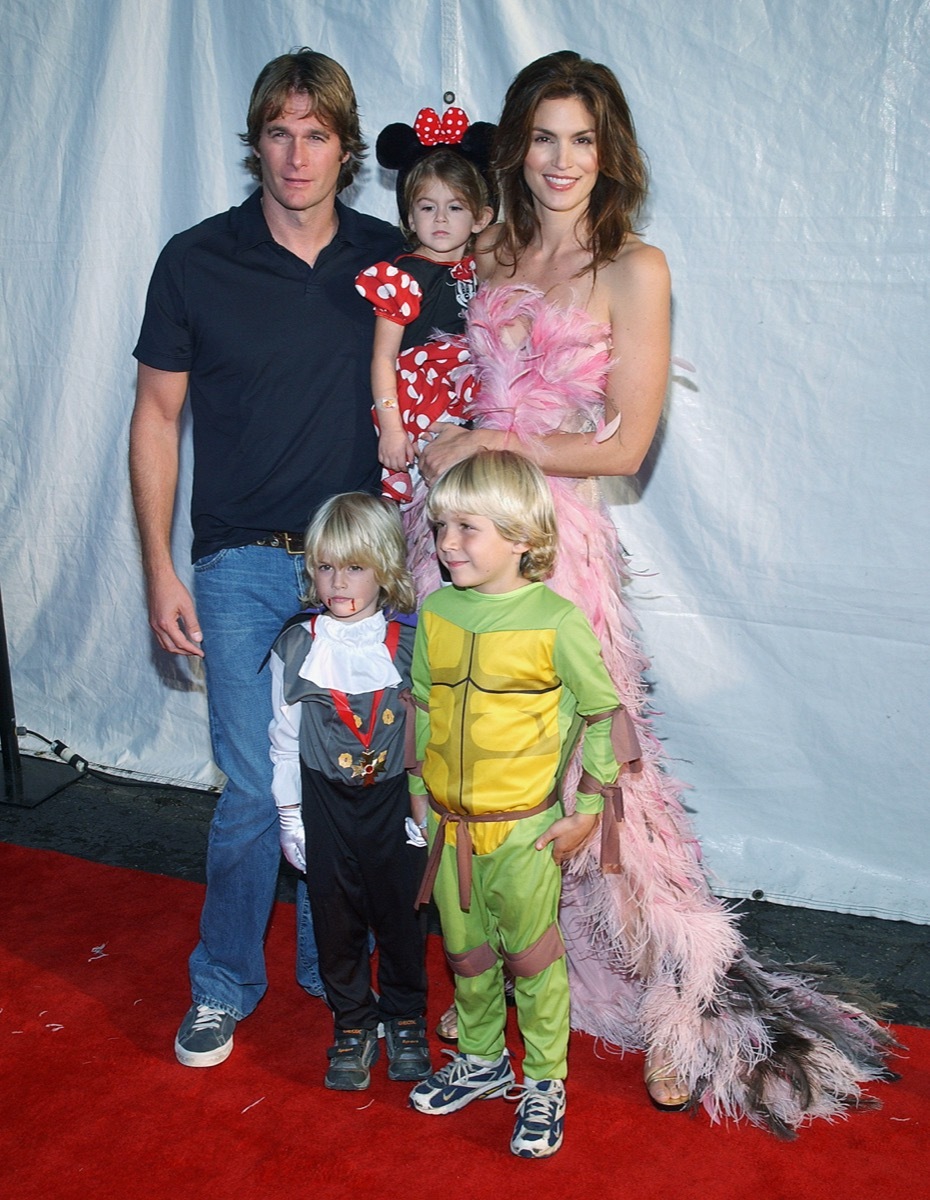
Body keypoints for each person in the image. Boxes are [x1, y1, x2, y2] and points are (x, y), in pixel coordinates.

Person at [415, 50, 895, 1136]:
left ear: (610, 150)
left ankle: (691, 1015)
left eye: (582, 138)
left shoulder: (637, 266)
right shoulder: (488, 247)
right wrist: (440, 436)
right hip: (456, 538)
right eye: (543, 136)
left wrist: (497, 436)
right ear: (516, 144)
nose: (561, 159)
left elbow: (628, 443)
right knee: (484, 770)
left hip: (559, 551)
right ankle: (516, 992)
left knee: (608, 781)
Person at [129, 47, 403, 1068]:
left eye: (317, 133)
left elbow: (461, 360)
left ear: (344, 147)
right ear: (257, 144)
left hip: (359, 572)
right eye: (280, 133)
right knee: (252, 789)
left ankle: (331, 967)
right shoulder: (195, 259)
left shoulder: (389, 260)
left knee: (354, 781)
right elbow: (157, 418)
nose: (297, 154)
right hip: (238, 562)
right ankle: (222, 980)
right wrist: (158, 565)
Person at [408, 450, 640, 1159]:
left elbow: (608, 717)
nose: (448, 542)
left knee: (535, 961)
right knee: (467, 955)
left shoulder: (557, 622)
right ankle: (481, 1061)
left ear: (522, 538)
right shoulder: (436, 611)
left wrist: (591, 814)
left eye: (467, 527)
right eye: (442, 525)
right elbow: (420, 704)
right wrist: (417, 794)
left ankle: (544, 1080)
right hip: (450, 833)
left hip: (527, 835)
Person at [268, 492, 429, 1090]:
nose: (338, 580)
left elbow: (430, 731)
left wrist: (427, 804)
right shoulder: (297, 644)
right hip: (324, 802)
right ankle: (354, 1022)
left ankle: (406, 1017)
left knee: (403, 917)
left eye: (355, 566)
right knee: (335, 920)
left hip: (394, 803)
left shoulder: (410, 643)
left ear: (385, 568)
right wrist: (291, 818)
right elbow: (283, 740)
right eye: (326, 565)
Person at [355, 141, 493, 505]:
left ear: (481, 217)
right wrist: (390, 429)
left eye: (455, 207)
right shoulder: (404, 275)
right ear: (411, 219)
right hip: (421, 401)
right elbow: (383, 357)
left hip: (472, 399)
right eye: (428, 207)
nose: (441, 219)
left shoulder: (485, 270)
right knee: (428, 503)